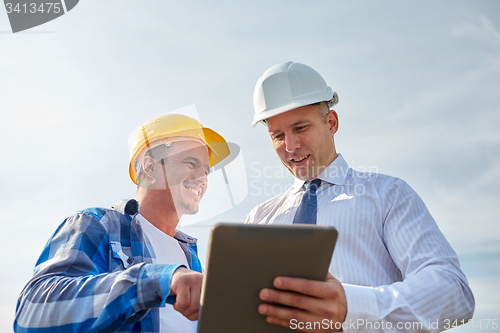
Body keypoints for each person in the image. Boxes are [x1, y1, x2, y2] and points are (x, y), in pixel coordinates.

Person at [245, 61, 475, 332]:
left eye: (301, 128)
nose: (290, 146)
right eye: (278, 135)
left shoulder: (388, 195)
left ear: (331, 123)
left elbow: (452, 290)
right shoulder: (258, 220)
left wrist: (349, 308)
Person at [14, 113, 230, 333]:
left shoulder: (192, 260)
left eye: (205, 171)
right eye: (190, 163)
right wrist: (156, 281)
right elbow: (32, 314)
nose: (202, 178)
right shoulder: (96, 225)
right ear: (150, 166)